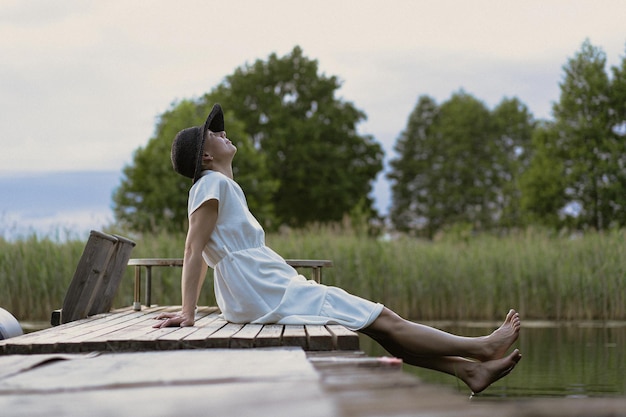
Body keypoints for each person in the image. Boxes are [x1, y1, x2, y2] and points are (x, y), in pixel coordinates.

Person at [154, 103, 522, 394]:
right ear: (205, 157)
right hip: (263, 288)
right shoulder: (209, 185)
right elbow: (193, 249)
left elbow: (203, 254)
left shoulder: (221, 187)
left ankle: (469, 371)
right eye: (214, 133)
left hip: (261, 287)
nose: (223, 132)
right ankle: (480, 347)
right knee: (385, 318)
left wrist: (195, 308)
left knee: (380, 328)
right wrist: (189, 313)